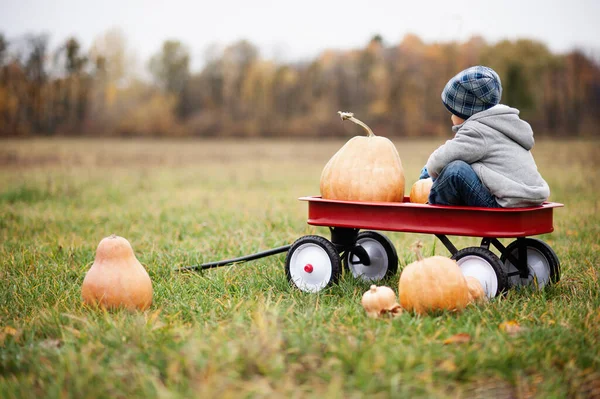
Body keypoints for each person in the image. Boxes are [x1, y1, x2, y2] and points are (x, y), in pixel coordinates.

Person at [420, 65, 550, 208]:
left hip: (503, 205)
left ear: (466, 113)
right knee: (466, 164)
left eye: (453, 111)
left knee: (456, 170)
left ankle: (430, 209)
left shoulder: (477, 131)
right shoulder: (503, 124)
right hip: (529, 200)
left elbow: (439, 161)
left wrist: (427, 172)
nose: (451, 116)